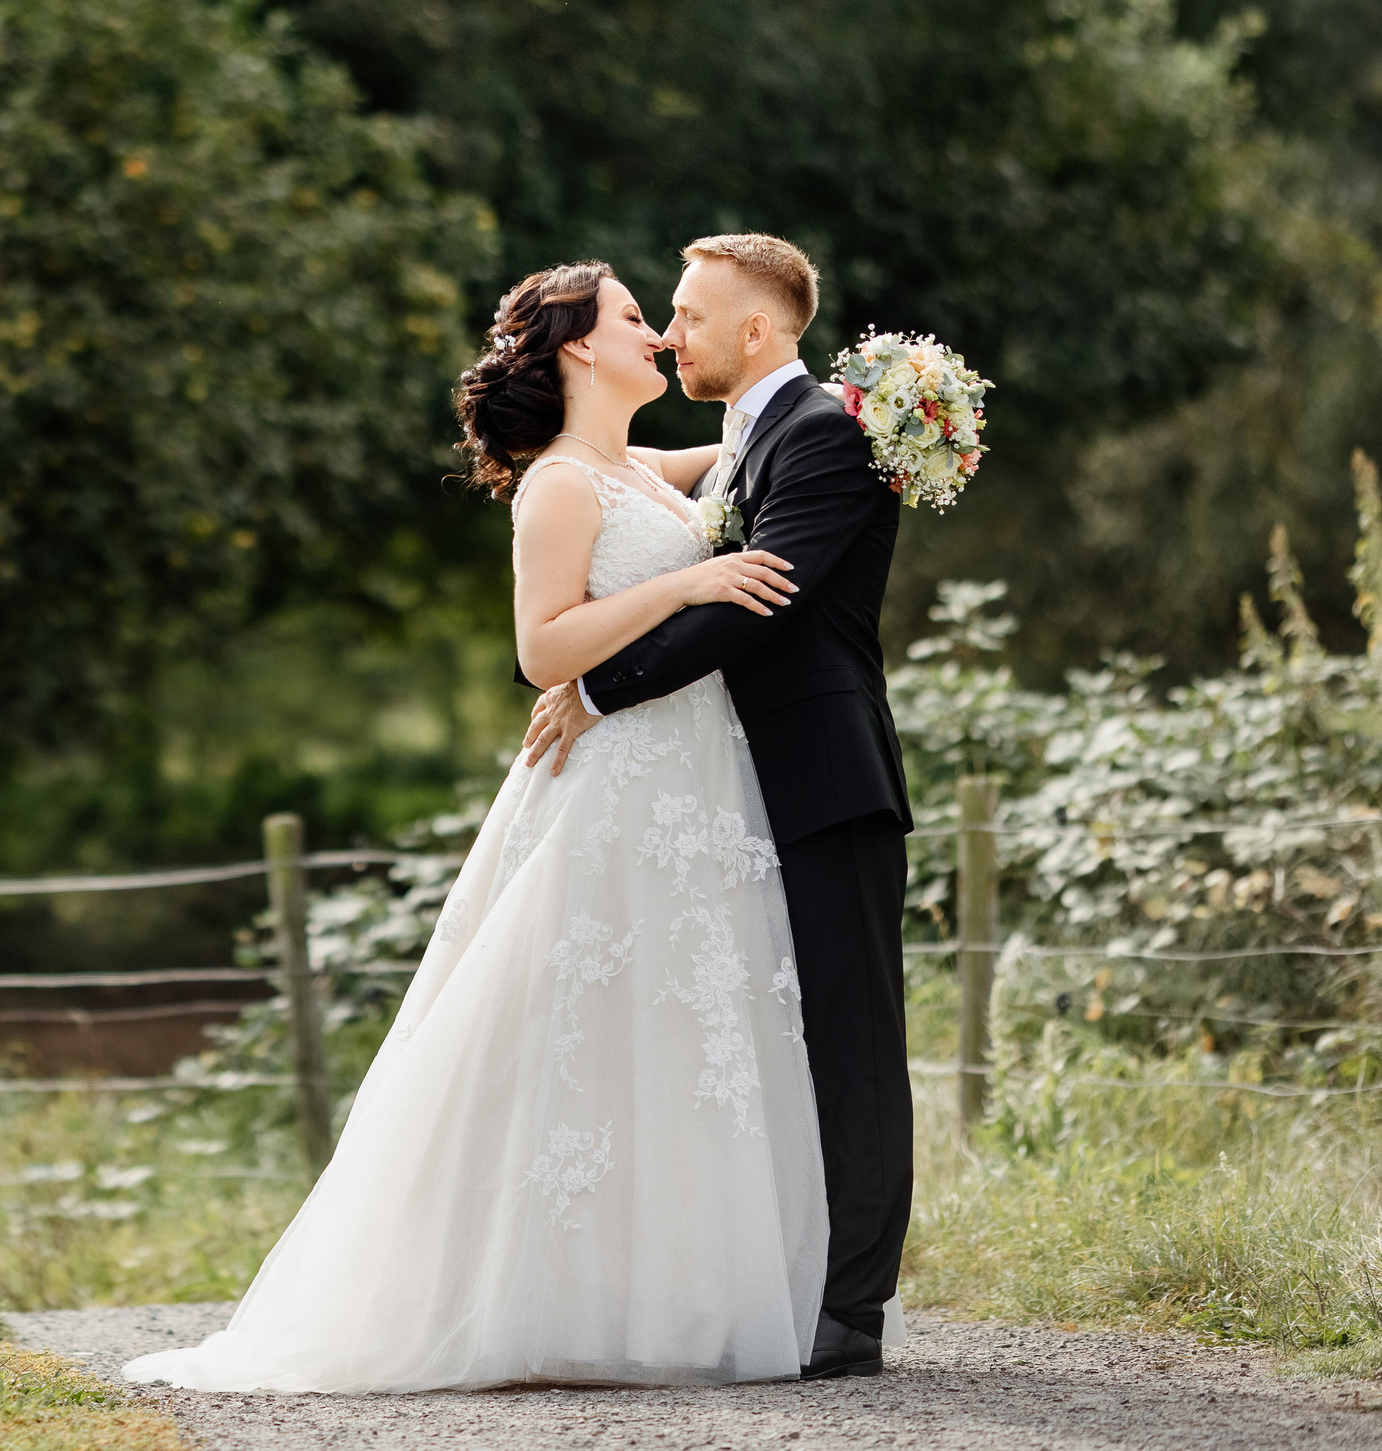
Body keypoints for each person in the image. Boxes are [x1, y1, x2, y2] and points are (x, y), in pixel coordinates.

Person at [122, 256, 830, 1393]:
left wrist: (876, 405)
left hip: (692, 784)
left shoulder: (643, 470)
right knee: (569, 1028)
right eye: (636, 318)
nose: (658, 334)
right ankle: (508, 1296)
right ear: (578, 346)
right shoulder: (560, 484)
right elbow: (542, 649)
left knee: (670, 1034)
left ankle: (660, 1298)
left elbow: (762, 441)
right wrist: (685, 587)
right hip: (609, 788)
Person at [522, 233, 913, 1382]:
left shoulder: (823, 434)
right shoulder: (741, 441)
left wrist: (598, 689)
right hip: (734, 793)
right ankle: (774, 1285)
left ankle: (849, 1312)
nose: (669, 333)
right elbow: (616, 491)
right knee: (771, 1047)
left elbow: (757, 602)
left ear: (755, 328)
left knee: (849, 1043)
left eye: (689, 316)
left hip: (824, 780)